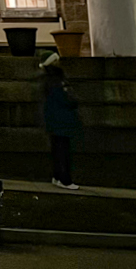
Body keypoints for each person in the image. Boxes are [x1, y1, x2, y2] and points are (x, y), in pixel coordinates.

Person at [40, 55, 82, 190]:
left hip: (55, 119)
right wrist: (73, 101)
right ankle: (65, 179)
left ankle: (57, 176)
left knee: (57, 149)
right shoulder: (56, 79)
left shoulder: (49, 79)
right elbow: (64, 98)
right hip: (61, 120)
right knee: (63, 151)